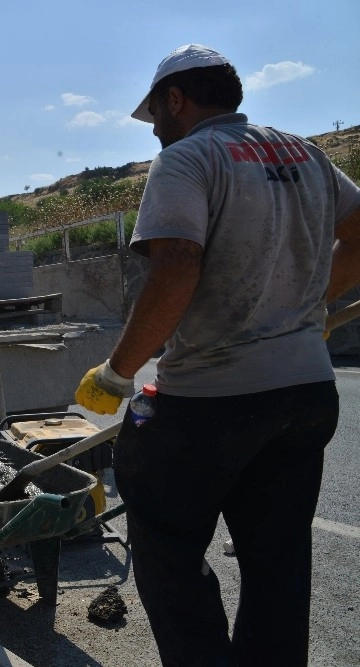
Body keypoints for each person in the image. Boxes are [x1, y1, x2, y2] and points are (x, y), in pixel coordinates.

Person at [73, 44, 360, 666]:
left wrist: (117, 372)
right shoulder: (304, 152)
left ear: (177, 99)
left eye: (155, 117)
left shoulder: (187, 159)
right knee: (276, 561)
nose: (154, 132)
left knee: (165, 548)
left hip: (213, 400)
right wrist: (305, 306)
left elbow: (175, 270)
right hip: (307, 393)